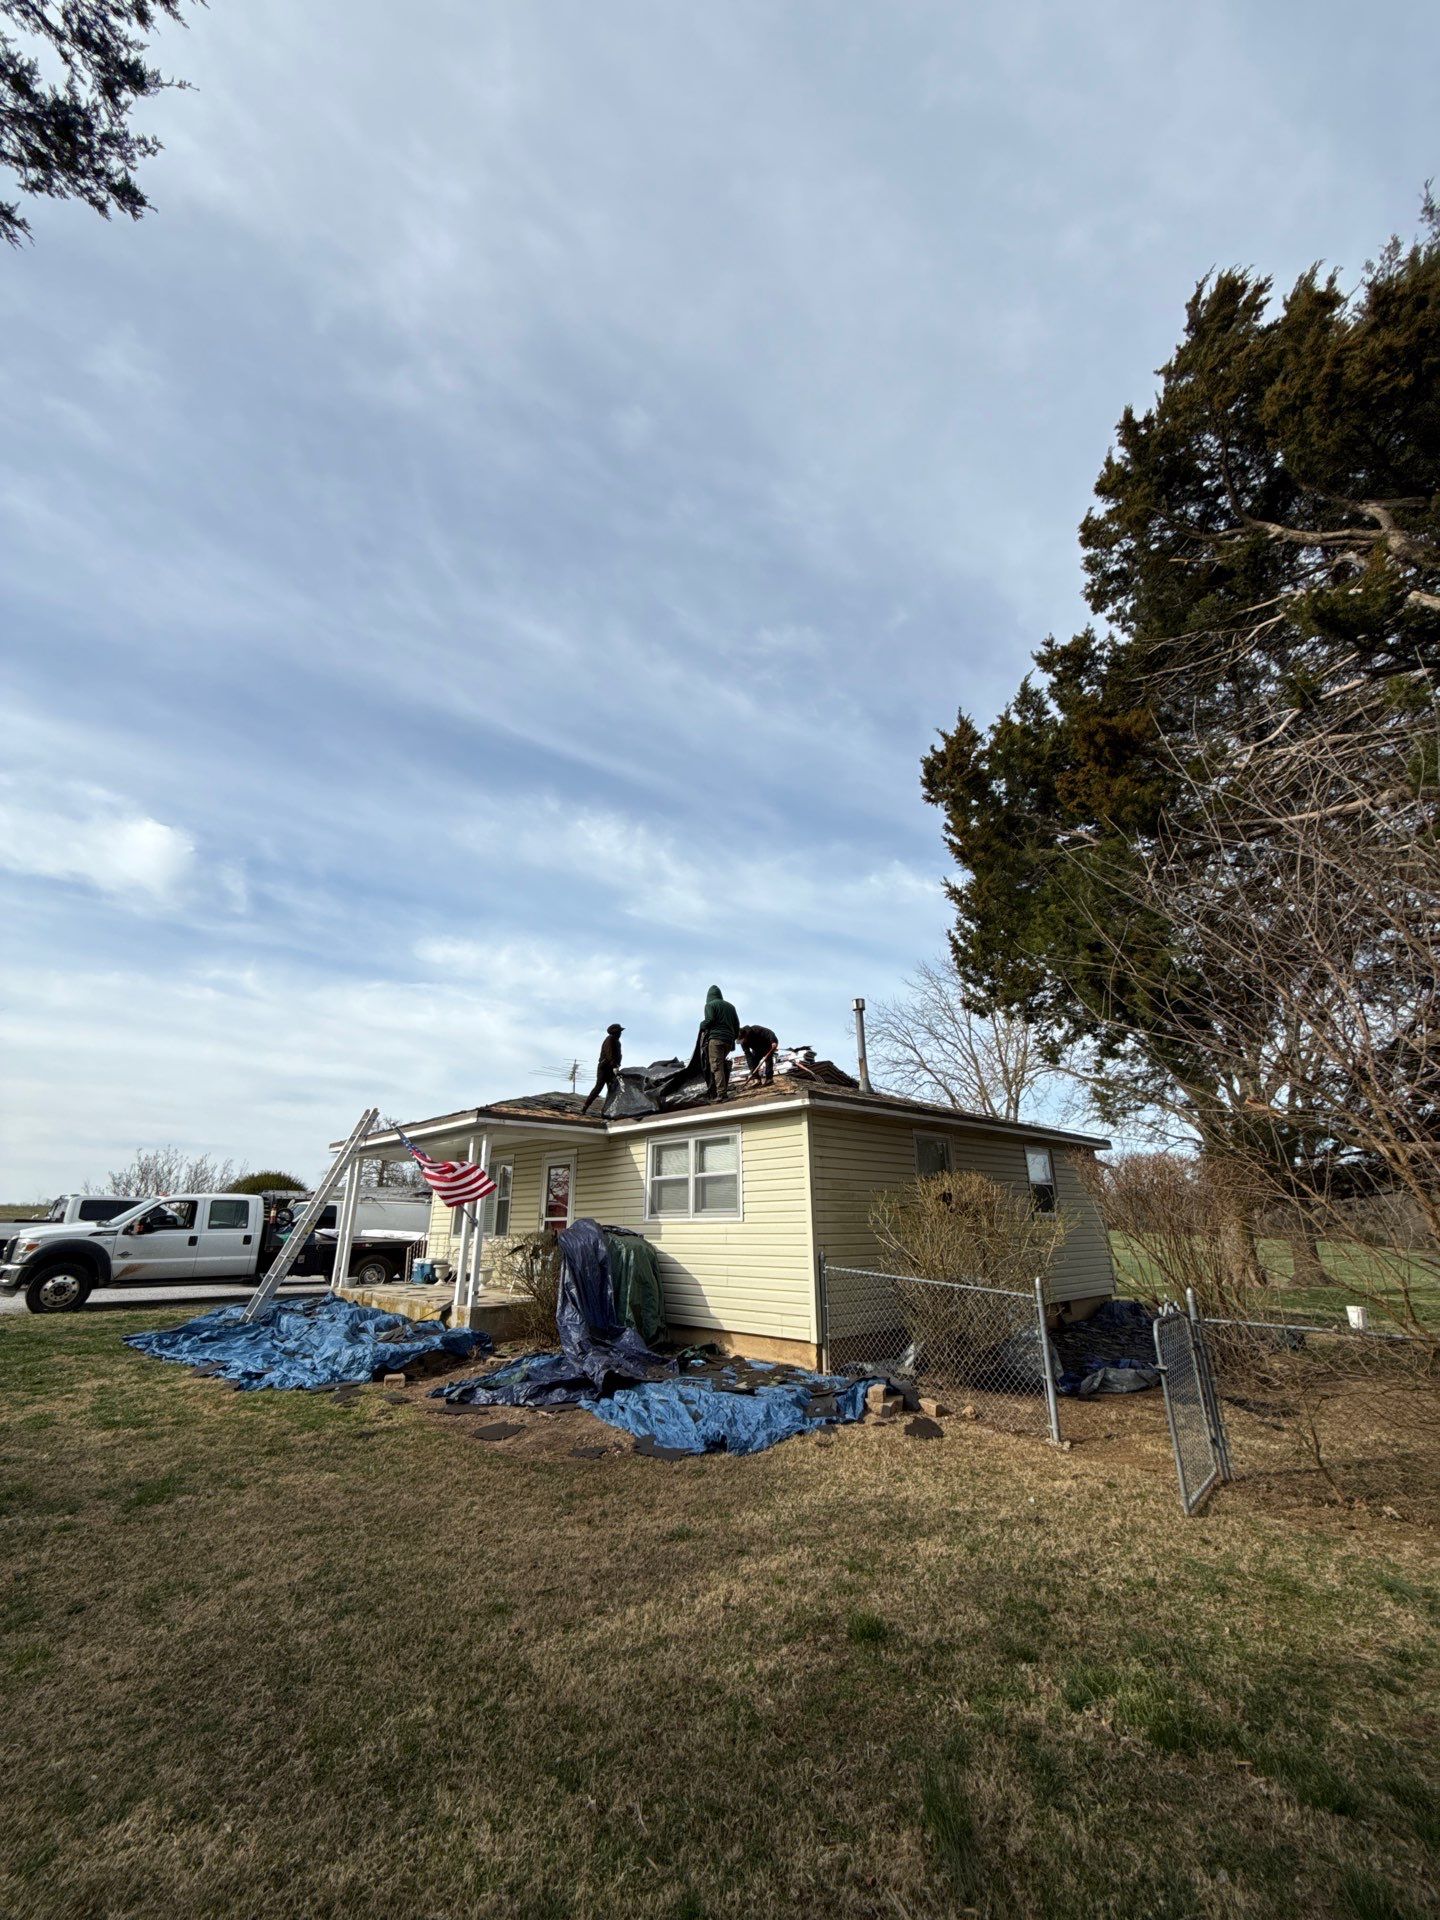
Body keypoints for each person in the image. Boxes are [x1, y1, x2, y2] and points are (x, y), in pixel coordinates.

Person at [699, 984, 741, 1101]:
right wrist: (733, 1038)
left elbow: (710, 1020)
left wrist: (702, 1025)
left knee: (716, 1066)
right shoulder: (731, 1007)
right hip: (728, 1040)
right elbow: (737, 1025)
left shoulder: (709, 1005)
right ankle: (722, 1089)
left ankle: (721, 1094)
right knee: (721, 1064)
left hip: (716, 1039)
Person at [580, 1023, 624, 1114]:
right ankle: (584, 1108)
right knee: (598, 1087)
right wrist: (614, 1065)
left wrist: (618, 1065)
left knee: (612, 1089)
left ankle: (608, 1111)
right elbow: (609, 1053)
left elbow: (619, 1055)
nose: (620, 1034)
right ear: (616, 1033)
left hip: (612, 1068)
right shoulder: (610, 1039)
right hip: (604, 1068)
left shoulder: (617, 1042)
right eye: (619, 1032)